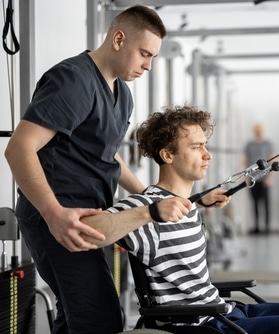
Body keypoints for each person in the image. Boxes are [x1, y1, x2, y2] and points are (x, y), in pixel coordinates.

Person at [4, 6, 213, 334]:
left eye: (153, 57)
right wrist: (53, 213)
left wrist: (147, 195)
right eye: (144, 53)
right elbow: (19, 148)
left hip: (89, 216)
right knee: (99, 320)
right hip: (58, 219)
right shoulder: (74, 80)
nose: (148, 65)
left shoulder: (123, 96)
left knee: (74, 314)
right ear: (118, 39)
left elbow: (107, 153)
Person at [81, 106, 279, 334]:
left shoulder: (184, 203)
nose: (208, 155)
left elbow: (176, 208)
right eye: (196, 147)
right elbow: (87, 231)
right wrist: (151, 212)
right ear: (168, 155)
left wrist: (198, 199)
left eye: (205, 146)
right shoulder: (146, 206)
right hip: (199, 325)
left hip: (221, 311)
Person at [244, 122, 275, 234]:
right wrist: (245, 177)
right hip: (253, 179)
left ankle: (267, 228)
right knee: (255, 204)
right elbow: (246, 160)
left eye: (260, 130)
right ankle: (257, 227)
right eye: (257, 130)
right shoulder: (249, 145)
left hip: (264, 178)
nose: (258, 132)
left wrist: (270, 177)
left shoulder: (267, 144)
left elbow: (272, 159)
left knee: (266, 204)